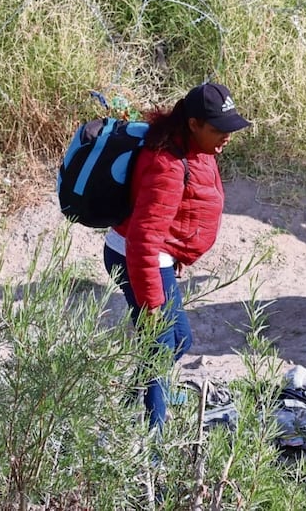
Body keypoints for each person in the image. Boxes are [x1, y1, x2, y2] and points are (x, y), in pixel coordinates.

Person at [103, 82, 251, 431]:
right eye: (218, 129)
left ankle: (129, 402)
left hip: (158, 258)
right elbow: (143, 240)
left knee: (180, 339)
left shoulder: (195, 148)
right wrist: (153, 303)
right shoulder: (167, 165)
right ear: (193, 124)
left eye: (229, 128)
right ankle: (155, 440)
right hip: (138, 258)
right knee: (159, 343)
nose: (226, 137)